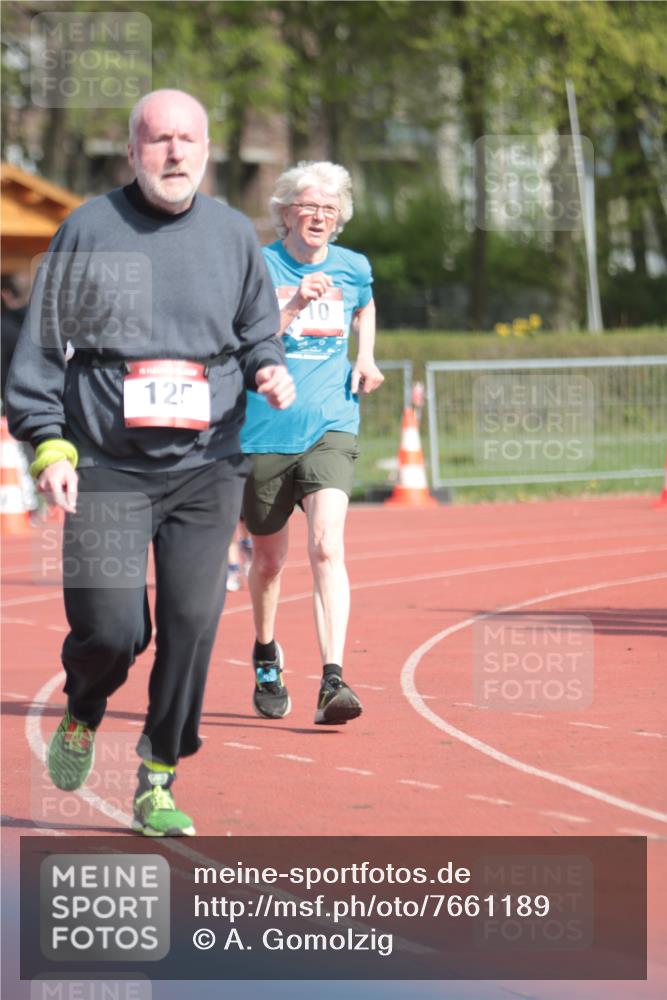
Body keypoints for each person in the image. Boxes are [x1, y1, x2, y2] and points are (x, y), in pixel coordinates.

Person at [5, 89, 294, 836]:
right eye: (158, 140)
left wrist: (267, 368)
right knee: (110, 629)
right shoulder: (89, 229)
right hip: (106, 464)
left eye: (187, 140)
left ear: (204, 149)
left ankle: (158, 775)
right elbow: (40, 349)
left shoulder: (233, 234)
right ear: (133, 150)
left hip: (207, 463)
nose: (173, 153)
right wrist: (49, 443)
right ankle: (84, 705)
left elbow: (259, 332)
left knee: (192, 623)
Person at [240, 161, 384, 725]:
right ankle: (266, 652)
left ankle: (333, 679)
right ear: (285, 213)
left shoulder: (354, 267)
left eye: (329, 207)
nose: (319, 215)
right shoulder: (259, 264)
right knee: (270, 563)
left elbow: (365, 303)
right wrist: (296, 303)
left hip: (330, 421)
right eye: (308, 205)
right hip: (264, 431)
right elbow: (246, 338)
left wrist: (365, 355)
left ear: (339, 217)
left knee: (326, 546)